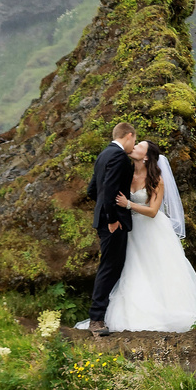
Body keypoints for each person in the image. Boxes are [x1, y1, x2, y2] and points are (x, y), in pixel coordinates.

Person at [100, 140, 196, 332]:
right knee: (134, 268)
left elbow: (153, 211)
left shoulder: (157, 180)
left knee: (158, 268)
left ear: (146, 156)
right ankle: (135, 312)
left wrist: (128, 205)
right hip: (133, 230)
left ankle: (166, 311)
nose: (135, 147)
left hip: (152, 228)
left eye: (139, 146)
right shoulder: (127, 173)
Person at [84, 122, 136, 336]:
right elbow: (110, 191)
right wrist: (112, 218)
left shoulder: (104, 154)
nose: (134, 144)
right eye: (134, 140)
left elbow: (91, 190)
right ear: (129, 136)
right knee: (109, 268)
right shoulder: (119, 156)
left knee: (109, 266)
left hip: (103, 220)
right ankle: (96, 319)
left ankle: (98, 316)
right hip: (113, 223)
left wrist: (102, 211)